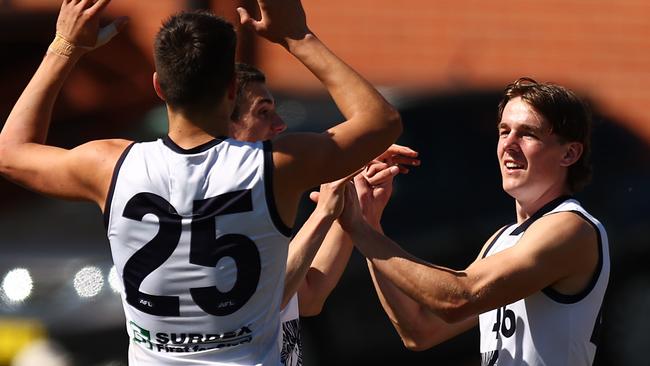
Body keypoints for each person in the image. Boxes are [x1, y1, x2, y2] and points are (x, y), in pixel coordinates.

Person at [0, 0, 402, 364]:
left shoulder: (109, 165)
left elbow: (10, 153)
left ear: (159, 86)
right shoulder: (276, 166)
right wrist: (298, 37)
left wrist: (65, 48)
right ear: (231, 91)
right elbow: (381, 121)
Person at [338, 77, 609, 366]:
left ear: (569, 153)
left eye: (528, 134)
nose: (509, 145)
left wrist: (361, 231)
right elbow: (420, 331)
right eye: (504, 131)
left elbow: (457, 299)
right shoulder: (503, 239)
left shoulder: (571, 227)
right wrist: (369, 223)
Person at [228, 62, 419, 366]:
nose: (280, 124)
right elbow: (267, 299)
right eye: (263, 112)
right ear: (224, 123)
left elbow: (308, 297)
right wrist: (324, 213)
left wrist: (350, 204)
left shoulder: (257, 200)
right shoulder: (214, 208)